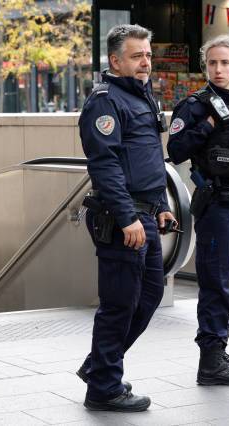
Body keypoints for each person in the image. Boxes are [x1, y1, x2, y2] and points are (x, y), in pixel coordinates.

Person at [76, 23, 177, 412]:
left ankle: (100, 367)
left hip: (147, 213)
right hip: (123, 218)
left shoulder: (143, 96)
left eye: (148, 55)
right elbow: (105, 165)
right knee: (119, 304)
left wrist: (163, 205)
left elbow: (150, 160)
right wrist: (126, 217)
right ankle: (103, 387)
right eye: (137, 56)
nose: (145, 62)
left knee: (149, 297)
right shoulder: (105, 100)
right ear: (115, 61)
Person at [167, 35, 229, 386]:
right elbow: (176, 148)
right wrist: (208, 125)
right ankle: (210, 359)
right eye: (212, 63)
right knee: (215, 282)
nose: (219, 69)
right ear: (205, 66)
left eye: (225, 63)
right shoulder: (195, 105)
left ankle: (218, 350)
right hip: (215, 205)